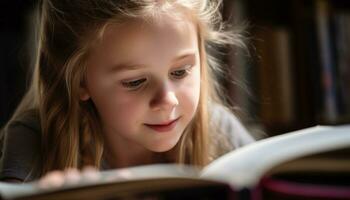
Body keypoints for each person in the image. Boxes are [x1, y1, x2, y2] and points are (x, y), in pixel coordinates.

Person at [0, 0, 254, 183]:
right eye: (135, 82)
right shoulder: (35, 137)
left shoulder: (218, 128)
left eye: (180, 72)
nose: (167, 100)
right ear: (79, 81)